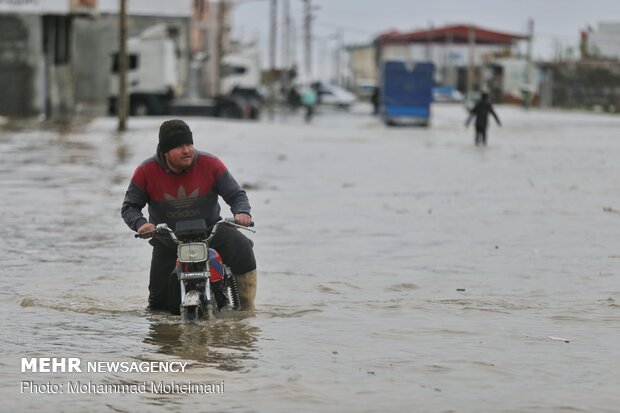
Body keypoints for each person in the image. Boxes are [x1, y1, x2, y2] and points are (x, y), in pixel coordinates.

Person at [121, 119, 257, 313]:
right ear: (165, 151)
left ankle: (247, 309)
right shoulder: (146, 171)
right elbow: (130, 207)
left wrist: (242, 212)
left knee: (243, 247)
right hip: (169, 241)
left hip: (211, 233)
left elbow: (236, 194)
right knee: (157, 308)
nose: (187, 150)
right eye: (179, 146)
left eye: (189, 144)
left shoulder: (210, 164)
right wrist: (141, 224)